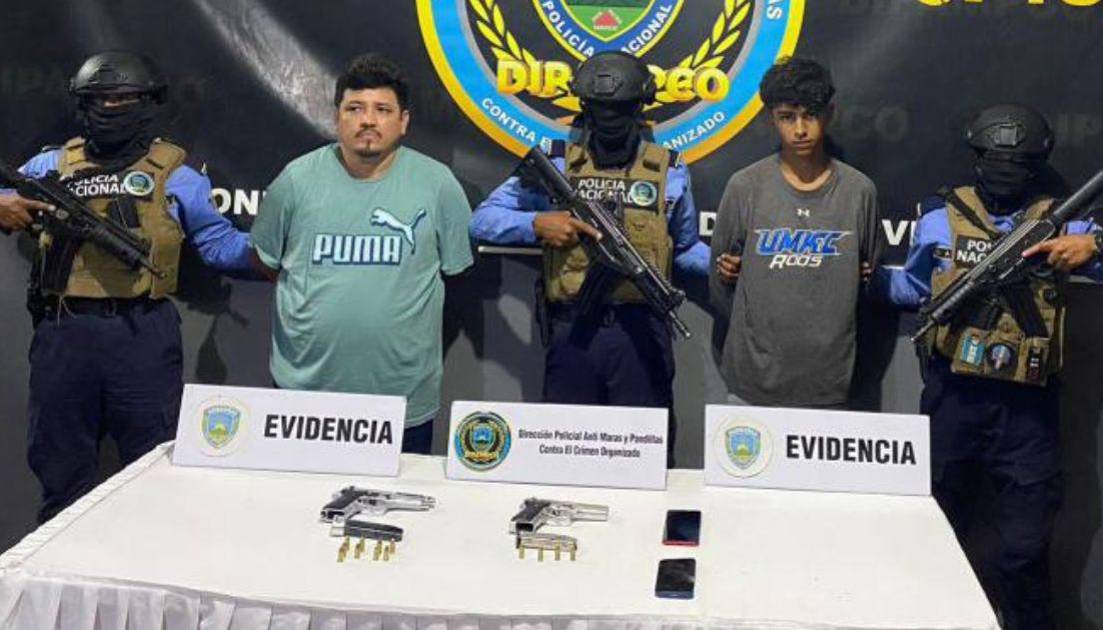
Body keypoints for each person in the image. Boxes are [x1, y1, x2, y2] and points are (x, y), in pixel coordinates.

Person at [878, 104, 1103, 629]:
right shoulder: (940, 217)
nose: (1004, 169)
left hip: (1027, 409)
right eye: (995, 159)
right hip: (952, 397)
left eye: (1015, 161)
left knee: (1025, 549)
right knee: (932, 531)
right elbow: (914, 288)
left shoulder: (1065, 221)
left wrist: (1097, 248)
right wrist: (859, 278)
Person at [0, 50, 253, 523]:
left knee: (151, 472)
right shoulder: (50, 165)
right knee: (60, 473)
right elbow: (8, 197)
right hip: (64, 332)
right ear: (83, 105)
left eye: (124, 99)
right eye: (100, 99)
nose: (111, 109)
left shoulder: (176, 176)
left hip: (140, 333)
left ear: (148, 103)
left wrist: (278, 251)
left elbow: (220, 246)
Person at [470, 51, 709, 464]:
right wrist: (537, 225)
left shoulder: (668, 170)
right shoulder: (557, 161)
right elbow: (482, 221)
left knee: (644, 460)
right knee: (566, 455)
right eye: (600, 107)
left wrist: (729, 266)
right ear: (584, 106)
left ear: (641, 106)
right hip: (573, 328)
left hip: (642, 331)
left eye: (621, 107)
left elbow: (685, 247)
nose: (610, 118)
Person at [250, 53, 473, 455]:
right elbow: (265, 262)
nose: (368, 120)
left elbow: (456, 272)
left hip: (400, 401)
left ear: (403, 121)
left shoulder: (438, 185)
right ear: (337, 116)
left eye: (382, 110)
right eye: (355, 108)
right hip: (303, 396)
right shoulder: (295, 180)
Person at [709, 57, 882, 409]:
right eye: (787, 117)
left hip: (829, 385)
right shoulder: (745, 187)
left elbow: (867, 284)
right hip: (752, 383)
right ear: (770, 119)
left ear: (829, 114)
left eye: (810, 115)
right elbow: (719, 287)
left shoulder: (859, 191)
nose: (800, 129)